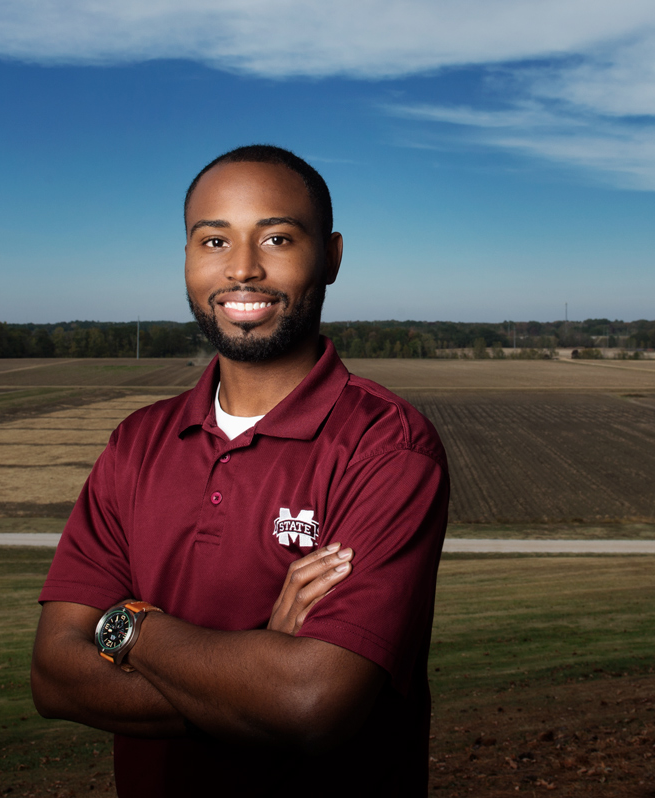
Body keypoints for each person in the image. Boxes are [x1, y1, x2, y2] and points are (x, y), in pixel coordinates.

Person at [30, 144, 449, 796]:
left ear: (332, 257)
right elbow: (54, 676)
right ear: (188, 258)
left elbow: (310, 702)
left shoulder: (387, 447)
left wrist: (129, 627)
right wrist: (256, 662)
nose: (243, 269)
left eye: (278, 237)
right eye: (214, 240)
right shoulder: (136, 443)